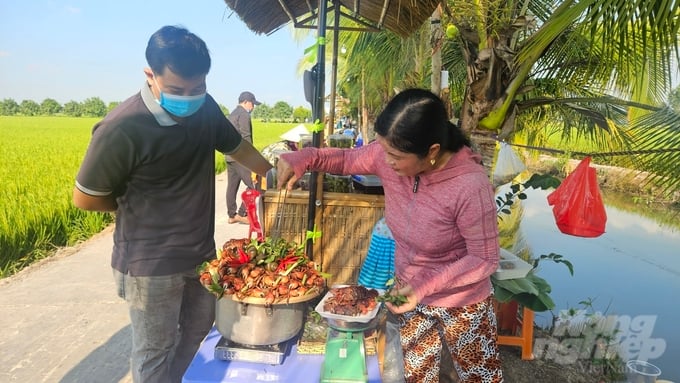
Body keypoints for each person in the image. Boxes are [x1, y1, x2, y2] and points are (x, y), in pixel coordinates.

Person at [72, 25, 272, 383]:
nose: (189, 98)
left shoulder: (206, 109)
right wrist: (137, 208)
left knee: (198, 333)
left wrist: (271, 175)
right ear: (150, 74)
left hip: (200, 255)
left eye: (198, 88)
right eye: (177, 90)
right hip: (150, 264)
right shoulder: (123, 127)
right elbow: (85, 196)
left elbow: (237, 148)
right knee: (154, 351)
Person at [277, 88, 503, 383]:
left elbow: (484, 258)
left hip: (464, 302)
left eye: (395, 156)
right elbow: (347, 160)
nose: (386, 161)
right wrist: (306, 157)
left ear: (432, 151)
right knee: (418, 376)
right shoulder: (387, 156)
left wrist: (425, 286)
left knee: (481, 378)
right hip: (408, 292)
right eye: (384, 150)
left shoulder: (470, 186)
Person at [225, 91, 262, 224]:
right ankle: (242, 213)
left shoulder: (232, 114)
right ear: (246, 102)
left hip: (229, 155)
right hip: (240, 156)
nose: (253, 107)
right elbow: (246, 137)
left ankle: (232, 215)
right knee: (254, 184)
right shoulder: (244, 115)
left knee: (232, 186)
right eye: (253, 104)